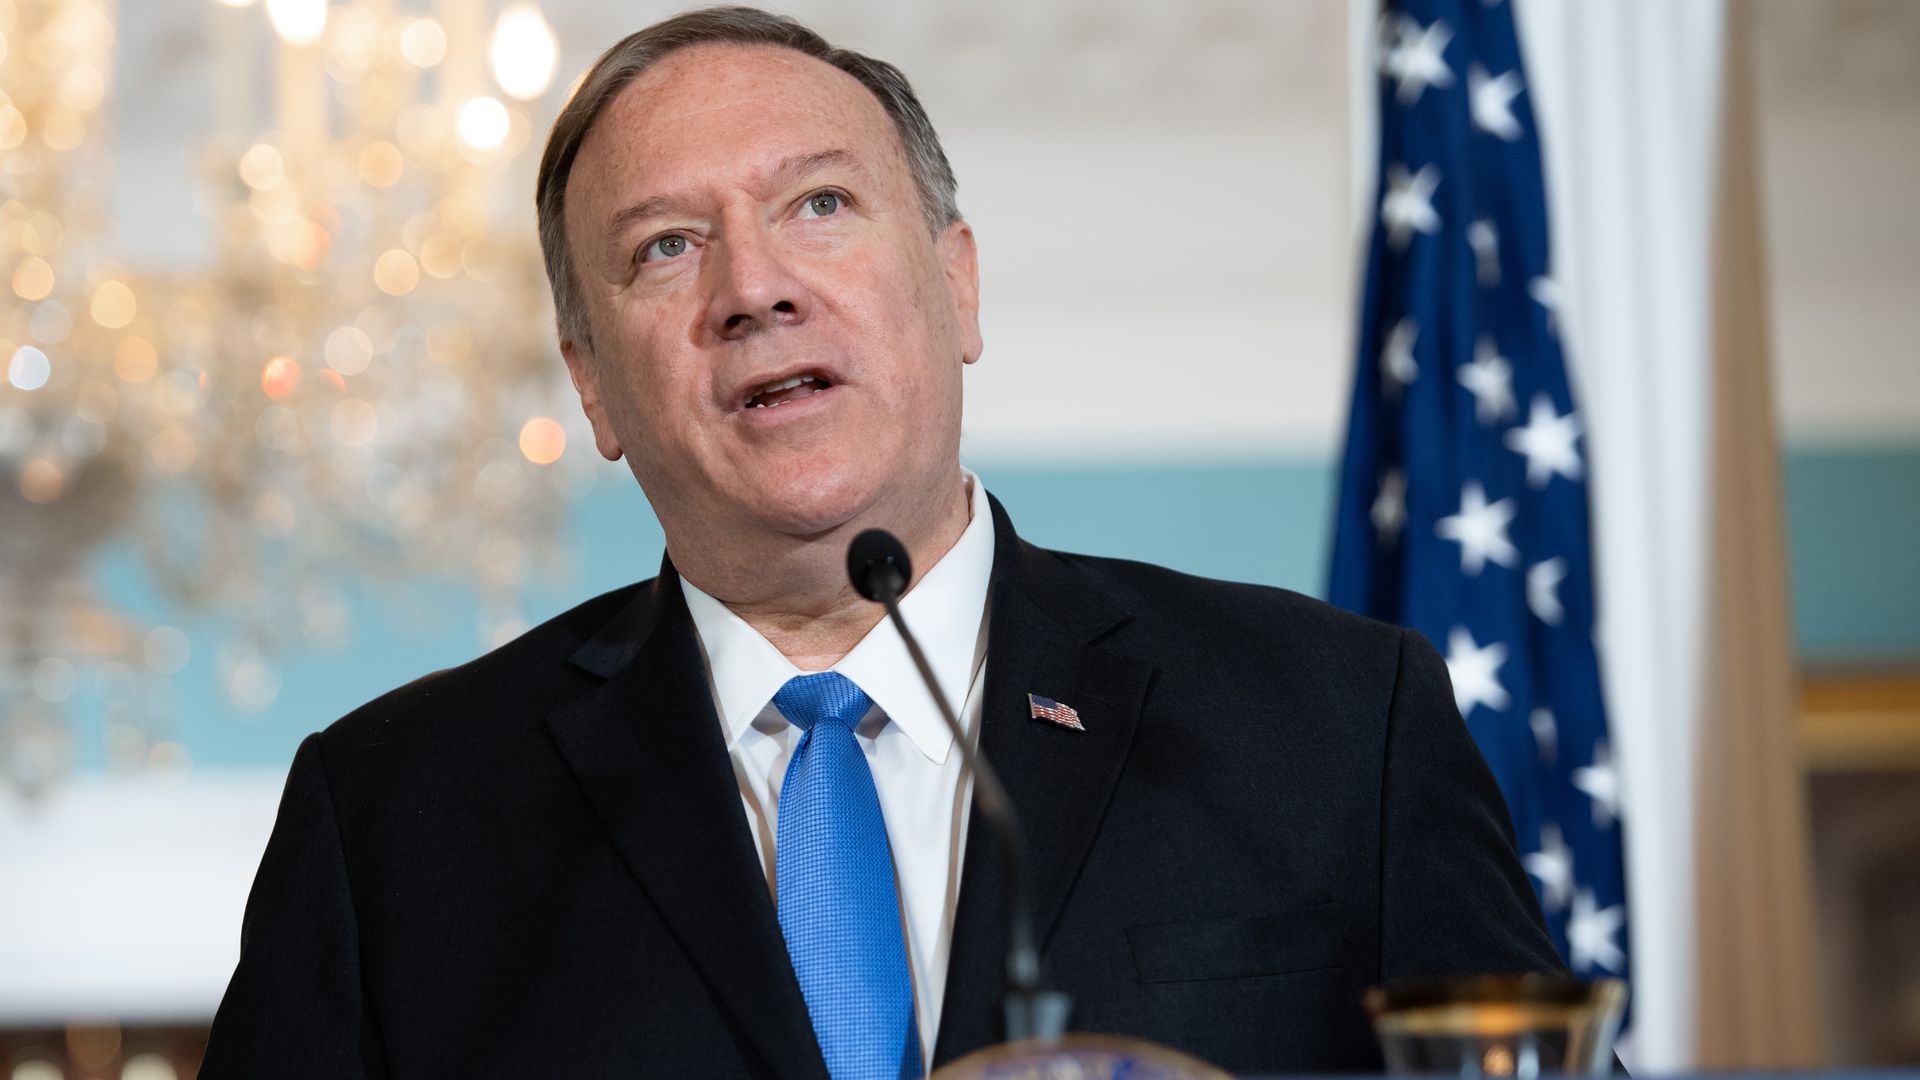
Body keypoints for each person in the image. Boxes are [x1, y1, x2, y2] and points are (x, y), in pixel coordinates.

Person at [202, 7, 1563, 1077]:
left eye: (820, 206)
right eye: (666, 246)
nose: (753, 289)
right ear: (593, 386)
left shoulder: (1335, 721)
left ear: (957, 285)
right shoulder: (391, 822)